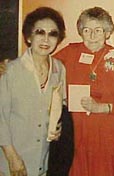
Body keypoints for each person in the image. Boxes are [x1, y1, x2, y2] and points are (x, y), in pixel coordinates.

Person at [53, 7, 114, 176]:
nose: (92, 35)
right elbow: (43, 68)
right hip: (78, 139)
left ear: (107, 33)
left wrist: (101, 107)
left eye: (98, 30)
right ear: (80, 32)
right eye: (86, 30)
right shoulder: (70, 52)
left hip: (109, 140)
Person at [0, 7, 67, 176]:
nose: (46, 39)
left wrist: (58, 126)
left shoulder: (59, 69)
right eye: (40, 32)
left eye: (52, 34)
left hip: (43, 161)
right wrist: (12, 157)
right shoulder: (10, 70)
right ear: (29, 37)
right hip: (12, 162)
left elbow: (60, 105)